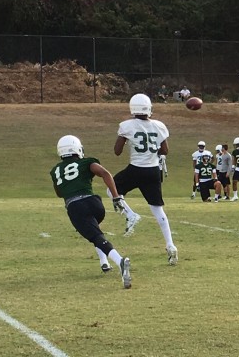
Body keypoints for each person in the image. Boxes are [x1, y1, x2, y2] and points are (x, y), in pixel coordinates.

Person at [50, 135, 132, 289]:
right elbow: (105, 173)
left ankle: (120, 261)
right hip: (95, 203)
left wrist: (69, 185)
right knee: (96, 233)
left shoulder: (55, 170)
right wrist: (116, 197)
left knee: (95, 236)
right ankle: (104, 263)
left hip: (76, 206)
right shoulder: (86, 162)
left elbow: (59, 193)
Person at [111, 93, 178, 266]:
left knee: (111, 188)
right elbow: (165, 150)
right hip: (153, 171)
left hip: (135, 169)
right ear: (149, 108)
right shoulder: (159, 126)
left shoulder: (127, 126)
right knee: (158, 210)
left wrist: (126, 140)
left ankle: (130, 215)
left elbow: (117, 151)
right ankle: (170, 245)